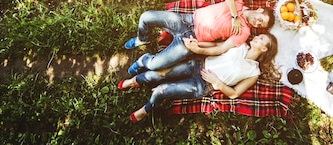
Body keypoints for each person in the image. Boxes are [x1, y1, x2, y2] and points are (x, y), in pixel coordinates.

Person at [119, 33, 280, 122]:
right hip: (197, 64)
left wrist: (217, 82)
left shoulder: (253, 72)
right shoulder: (240, 45)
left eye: (261, 39)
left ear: (264, 49)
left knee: (162, 90)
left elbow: (235, 93)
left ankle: (146, 109)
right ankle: (135, 81)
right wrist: (198, 44)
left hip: (202, 85)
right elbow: (217, 46)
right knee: (158, 74)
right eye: (259, 36)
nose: (257, 37)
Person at [124, 0, 275, 75]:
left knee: (155, 65)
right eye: (261, 19)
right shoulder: (239, 2)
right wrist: (235, 15)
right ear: (260, 10)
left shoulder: (244, 32)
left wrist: (198, 49)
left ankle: (144, 59)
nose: (257, 23)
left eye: (261, 25)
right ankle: (143, 38)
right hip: (187, 20)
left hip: (192, 39)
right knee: (146, 17)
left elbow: (221, 48)